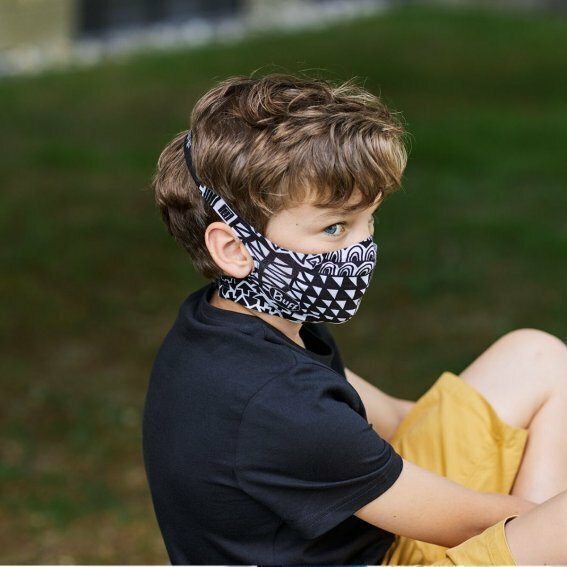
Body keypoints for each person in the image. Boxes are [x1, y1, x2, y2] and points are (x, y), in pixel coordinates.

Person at [142, 73, 567, 565]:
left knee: (536, 356)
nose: (362, 247)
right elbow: (468, 523)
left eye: (370, 219)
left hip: (380, 536)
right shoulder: (279, 401)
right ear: (234, 248)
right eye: (335, 227)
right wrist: (545, 526)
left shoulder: (235, 327)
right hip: (391, 550)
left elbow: (399, 419)